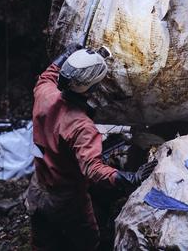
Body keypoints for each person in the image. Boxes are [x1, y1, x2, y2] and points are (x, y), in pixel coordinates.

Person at [27, 44, 158, 251]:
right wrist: (132, 178)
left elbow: (47, 75)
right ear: (93, 89)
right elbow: (93, 170)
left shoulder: (44, 94)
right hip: (66, 200)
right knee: (86, 243)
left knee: (42, 244)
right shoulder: (81, 126)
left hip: (37, 188)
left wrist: (68, 54)